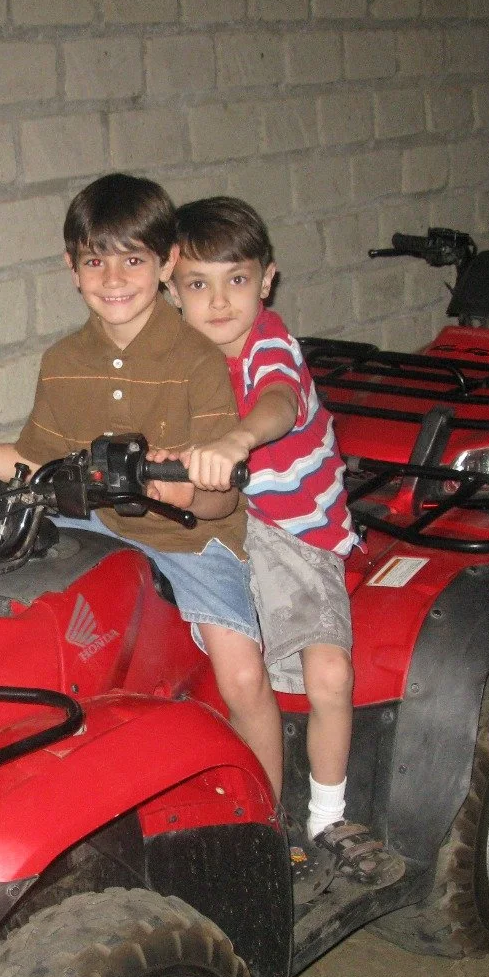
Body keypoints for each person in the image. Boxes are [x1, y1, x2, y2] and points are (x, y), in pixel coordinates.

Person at [0, 173, 286, 797]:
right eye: (96, 261)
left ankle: (270, 815)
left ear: (167, 263)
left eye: (134, 260)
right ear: (71, 268)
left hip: (189, 541)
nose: (114, 278)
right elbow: (31, 459)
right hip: (88, 523)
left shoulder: (197, 359)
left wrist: (190, 491)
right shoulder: (63, 362)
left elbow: (221, 497)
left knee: (244, 679)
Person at [171, 195, 388, 883]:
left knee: (330, 677)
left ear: (266, 281)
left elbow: (279, 402)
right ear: (173, 290)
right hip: (227, 524)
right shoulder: (177, 359)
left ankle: (327, 816)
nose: (218, 301)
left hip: (298, 533)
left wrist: (238, 438)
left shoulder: (269, 344)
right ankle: (245, 812)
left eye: (236, 279)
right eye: (198, 284)